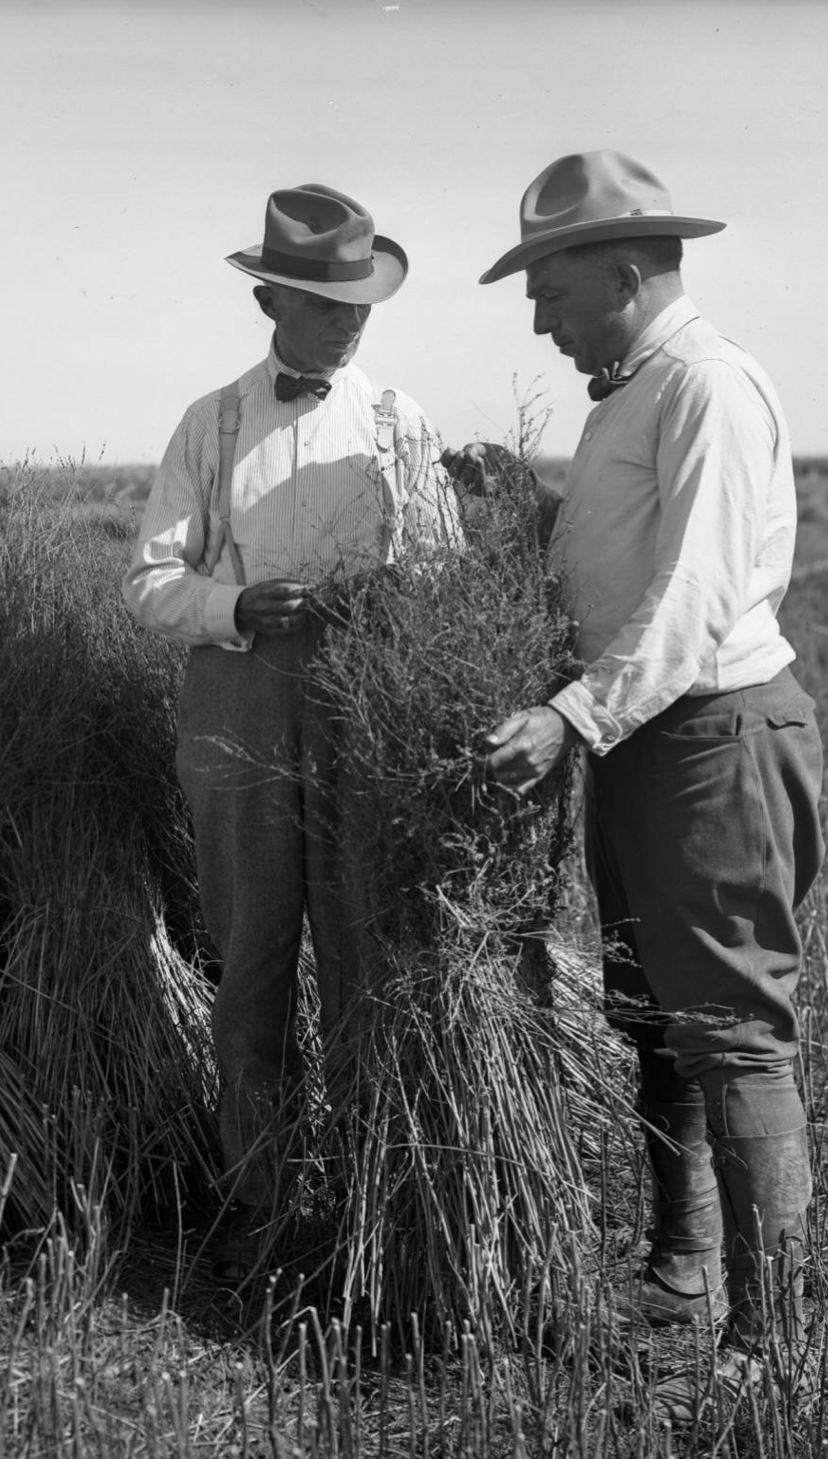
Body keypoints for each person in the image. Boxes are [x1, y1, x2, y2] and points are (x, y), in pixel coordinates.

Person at [443, 150, 824, 1397]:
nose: (538, 318)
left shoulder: (707, 386)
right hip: (645, 735)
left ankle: (772, 1349)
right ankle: (682, 1266)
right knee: (654, 1016)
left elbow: (696, 597)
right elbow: (614, 566)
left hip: (710, 734)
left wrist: (568, 715)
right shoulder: (635, 389)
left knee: (733, 1032)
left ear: (622, 269)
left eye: (546, 289)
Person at [123, 183, 461, 1280]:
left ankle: (367, 1212)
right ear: (269, 297)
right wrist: (234, 607)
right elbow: (148, 580)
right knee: (255, 959)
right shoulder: (210, 423)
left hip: (366, 704)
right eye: (323, 299)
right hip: (236, 702)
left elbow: (446, 572)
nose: (347, 318)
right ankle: (265, 1210)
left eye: (357, 298)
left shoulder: (402, 422)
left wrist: (389, 601)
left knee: (366, 957)